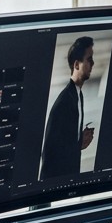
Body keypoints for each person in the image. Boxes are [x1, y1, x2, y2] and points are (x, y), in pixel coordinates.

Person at [40, 36, 96, 179]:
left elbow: (65, 141)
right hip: (56, 184)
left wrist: (80, 141)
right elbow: (50, 151)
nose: (93, 63)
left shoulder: (78, 95)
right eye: (89, 59)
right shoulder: (63, 102)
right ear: (77, 65)